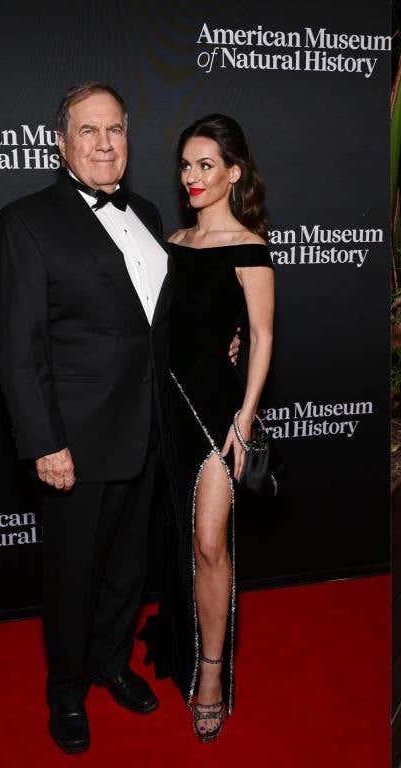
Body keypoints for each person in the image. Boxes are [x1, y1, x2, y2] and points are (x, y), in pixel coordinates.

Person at [0, 82, 169, 754]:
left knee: (129, 567)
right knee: (72, 572)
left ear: (128, 138)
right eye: (87, 131)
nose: (103, 143)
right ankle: (65, 691)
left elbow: (155, 323)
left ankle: (110, 663)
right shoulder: (26, 221)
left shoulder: (147, 211)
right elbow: (17, 344)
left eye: (114, 129)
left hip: (150, 429)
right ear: (60, 141)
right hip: (76, 439)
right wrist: (45, 442)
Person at [143, 113, 274, 743]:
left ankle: (214, 675)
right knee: (181, 541)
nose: (192, 177)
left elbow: (265, 337)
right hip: (168, 408)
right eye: (186, 165)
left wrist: (245, 422)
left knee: (210, 544)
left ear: (233, 173)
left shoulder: (250, 246)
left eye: (205, 166)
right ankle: (185, 640)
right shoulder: (171, 243)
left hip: (219, 416)